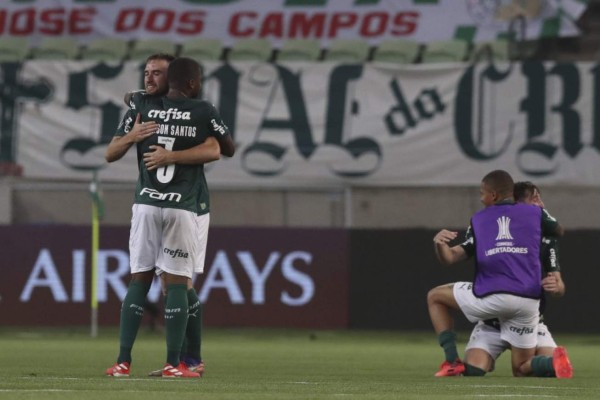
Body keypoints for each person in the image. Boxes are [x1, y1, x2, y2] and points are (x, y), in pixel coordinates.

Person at [104, 57, 233, 378]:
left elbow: (215, 149)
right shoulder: (201, 110)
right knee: (178, 283)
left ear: (171, 77)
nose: (149, 78)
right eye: (145, 73)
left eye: (156, 73)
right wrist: (135, 135)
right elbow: (221, 148)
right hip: (184, 205)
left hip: (151, 203)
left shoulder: (141, 105)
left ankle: (129, 361)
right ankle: (180, 363)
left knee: (151, 280)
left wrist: (137, 104)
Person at [428, 170, 572, 378]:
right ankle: (551, 363)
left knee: (435, 296)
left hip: (507, 306)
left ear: (493, 195)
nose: (540, 203)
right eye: (535, 198)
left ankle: (451, 361)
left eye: (481, 193)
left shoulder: (484, 221)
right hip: (510, 313)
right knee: (516, 369)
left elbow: (559, 285)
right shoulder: (528, 219)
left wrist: (558, 287)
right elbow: (558, 228)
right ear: (518, 201)